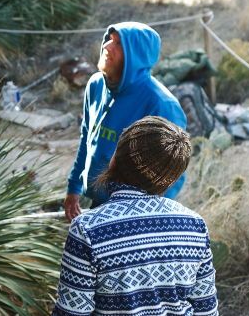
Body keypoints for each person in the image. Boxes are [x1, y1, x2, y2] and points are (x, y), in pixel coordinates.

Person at [52, 116, 218, 315]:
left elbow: (72, 312)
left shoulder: (87, 230)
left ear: (115, 159)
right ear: (169, 179)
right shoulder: (195, 226)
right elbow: (206, 309)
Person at [64, 22, 188, 219]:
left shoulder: (161, 104)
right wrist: (74, 187)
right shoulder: (96, 85)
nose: (106, 46)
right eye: (109, 39)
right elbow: (87, 138)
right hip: (98, 203)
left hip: (136, 214)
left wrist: (143, 217)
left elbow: (173, 174)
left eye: (119, 44)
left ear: (136, 55)